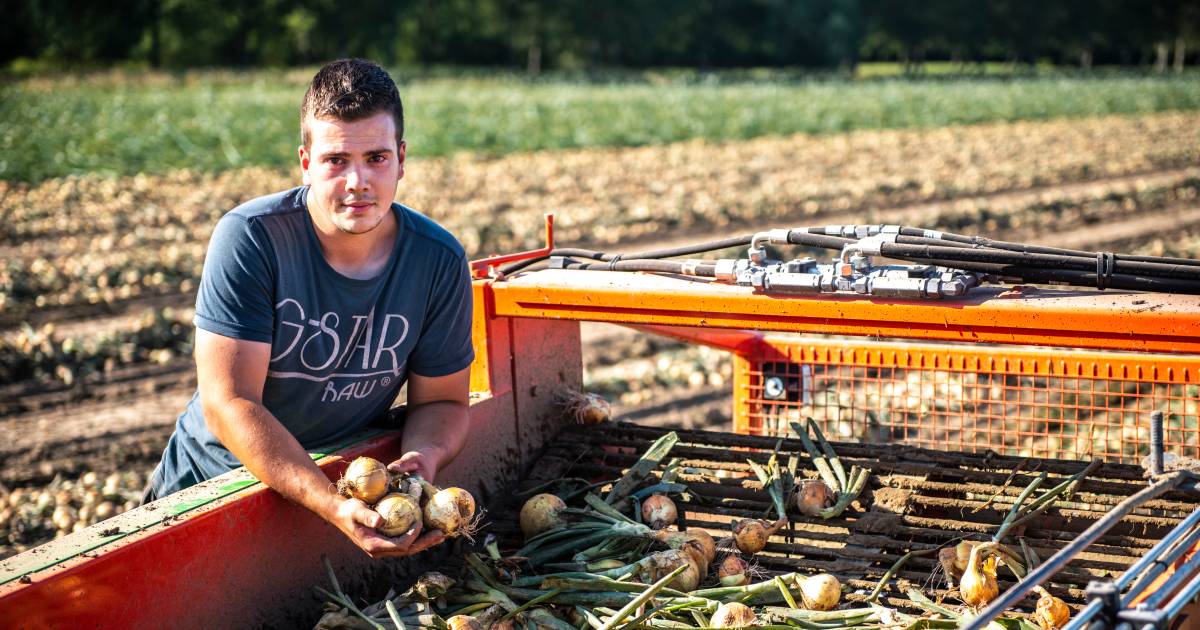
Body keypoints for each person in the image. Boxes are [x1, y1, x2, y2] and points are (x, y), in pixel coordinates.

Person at [143, 58, 474, 558]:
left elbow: (442, 403)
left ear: (402, 159)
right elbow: (230, 405)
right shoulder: (252, 239)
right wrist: (327, 501)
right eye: (336, 160)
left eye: (377, 158)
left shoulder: (437, 260)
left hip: (336, 494)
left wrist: (421, 459)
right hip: (212, 490)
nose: (357, 181)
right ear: (305, 162)